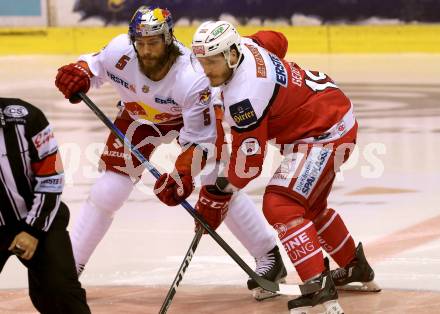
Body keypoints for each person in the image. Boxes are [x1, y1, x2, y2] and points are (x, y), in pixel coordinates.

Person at [54, 6, 287, 300]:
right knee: (108, 189)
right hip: (137, 117)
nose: (147, 51)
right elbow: (94, 65)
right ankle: (69, 269)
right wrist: (80, 74)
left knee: (214, 185)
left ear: (168, 38)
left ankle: (269, 257)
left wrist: (180, 177)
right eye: (140, 43)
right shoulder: (119, 51)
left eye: (153, 42)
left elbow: (199, 143)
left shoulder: (192, 76)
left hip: (190, 121)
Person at [191, 21, 380, 313]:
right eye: (202, 62)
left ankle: (317, 286)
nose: (206, 70)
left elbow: (249, 166)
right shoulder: (247, 44)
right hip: (330, 115)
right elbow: (278, 39)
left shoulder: (245, 98)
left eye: (211, 62)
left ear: (230, 55)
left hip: (324, 133)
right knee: (310, 207)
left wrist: (218, 193)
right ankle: (355, 267)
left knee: (281, 204)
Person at [0, 98, 90, 314]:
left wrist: (33, 229)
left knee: (59, 293)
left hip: (38, 219)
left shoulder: (27, 118)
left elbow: (52, 176)